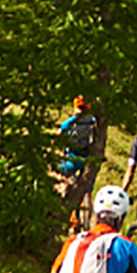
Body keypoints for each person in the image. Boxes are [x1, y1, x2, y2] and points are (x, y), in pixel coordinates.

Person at [55, 95, 99, 225]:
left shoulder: (70, 121)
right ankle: (86, 224)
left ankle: (64, 211)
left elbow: (58, 134)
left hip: (72, 158)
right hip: (86, 159)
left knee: (62, 179)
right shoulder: (92, 122)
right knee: (88, 194)